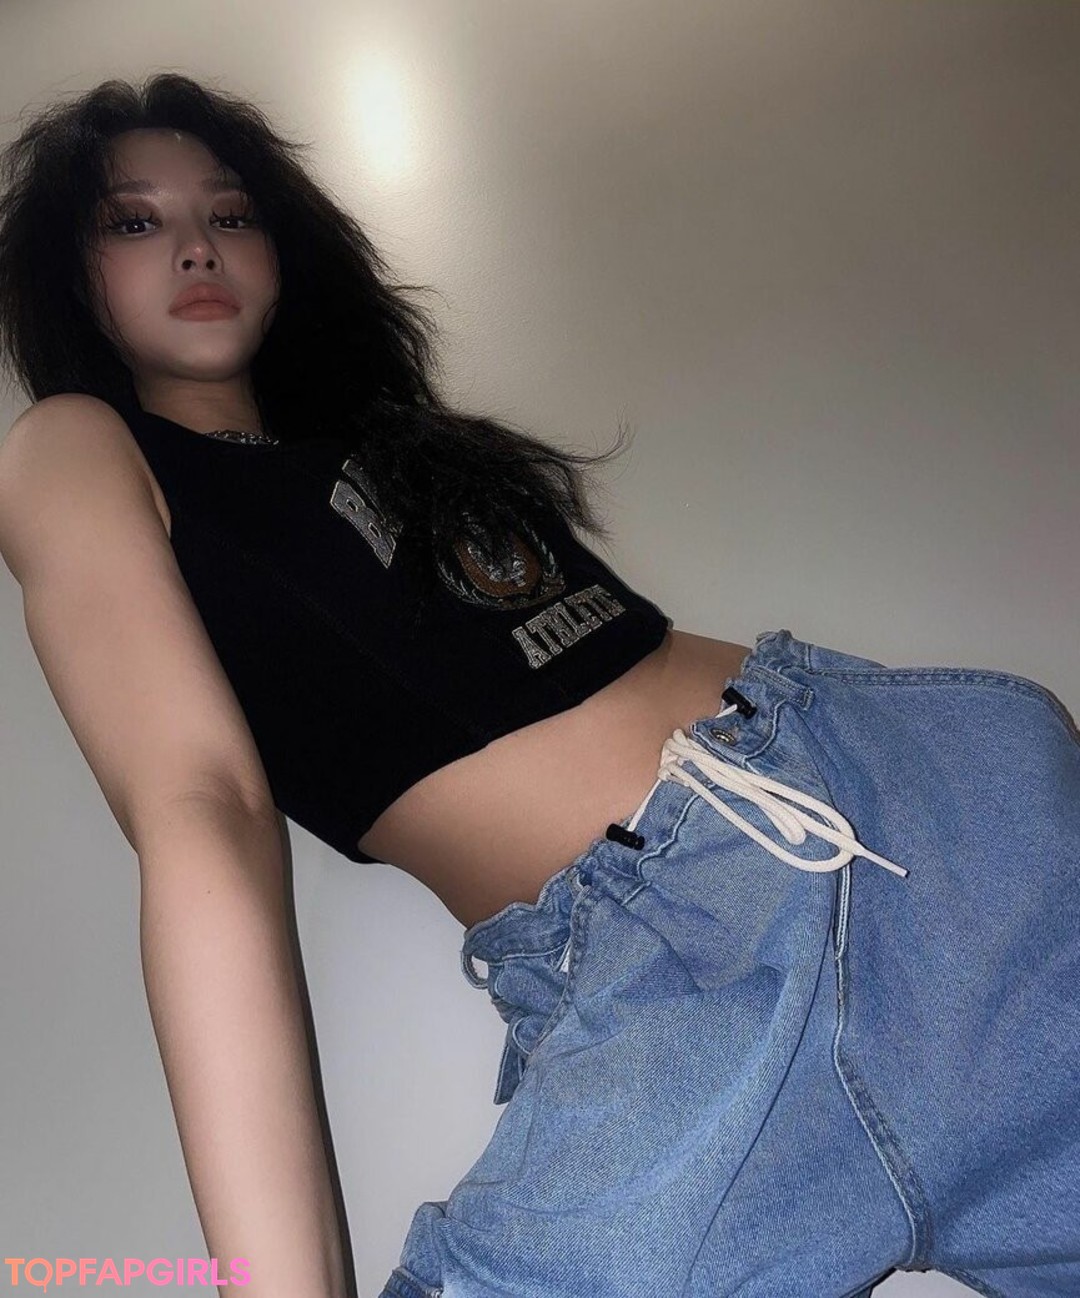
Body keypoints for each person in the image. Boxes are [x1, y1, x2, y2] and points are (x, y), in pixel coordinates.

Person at [0, 73, 1076, 1298]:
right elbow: (205, 806)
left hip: (940, 824)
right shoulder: (80, 448)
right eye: (134, 220)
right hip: (679, 977)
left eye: (231, 212)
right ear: (72, 272)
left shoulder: (393, 441)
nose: (197, 243)